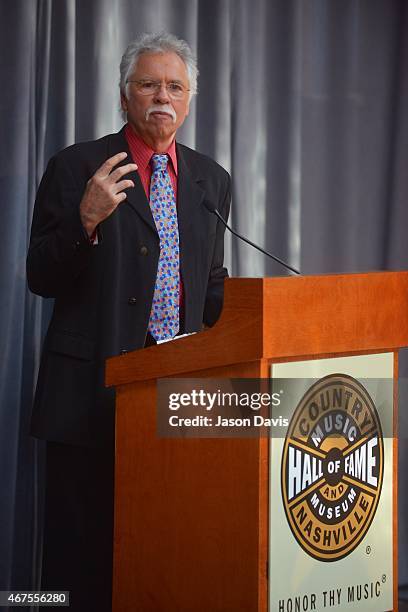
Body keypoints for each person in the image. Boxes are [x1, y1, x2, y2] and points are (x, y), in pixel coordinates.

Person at [27, 32, 230, 611]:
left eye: (174, 86)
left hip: (176, 396)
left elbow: (210, 285)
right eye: (148, 84)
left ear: (190, 100)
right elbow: (40, 275)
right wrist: (84, 220)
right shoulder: (76, 166)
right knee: (79, 558)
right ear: (124, 97)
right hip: (90, 391)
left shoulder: (211, 181)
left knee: (162, 547)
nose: (161, 96)